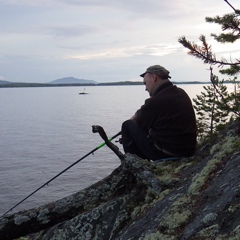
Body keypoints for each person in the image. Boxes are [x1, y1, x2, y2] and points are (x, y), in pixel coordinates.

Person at [121, 65, 197, 161]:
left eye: (145, 83)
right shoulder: (181, 93)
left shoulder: (156, 101)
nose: (145, 88)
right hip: (188, 151)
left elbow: (137, 120)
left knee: (127, 125)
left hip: (167, 154)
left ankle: (135, 164)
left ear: (154, 77)